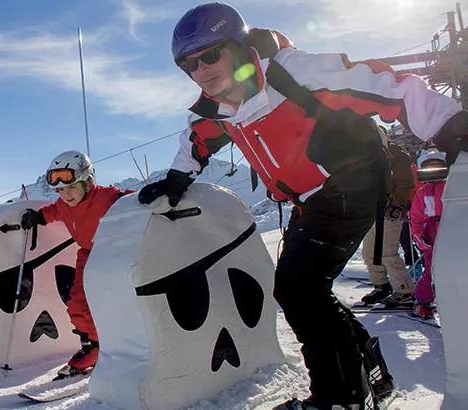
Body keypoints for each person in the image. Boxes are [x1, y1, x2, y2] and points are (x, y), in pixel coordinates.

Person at [138, 3, 468, 409]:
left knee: (298, 289)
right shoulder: (218, 109)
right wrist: (177, 177)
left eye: (211, 54)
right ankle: (367, 375)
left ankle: (339, 397)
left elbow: (384, 84)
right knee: (304, 291)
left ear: (239, 46)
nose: (202, 70)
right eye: (189, 64)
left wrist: (447, 123)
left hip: (351, 179)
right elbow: (196, 140)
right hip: (309, 200)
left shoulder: (292, 72)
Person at [20, 150, 133, 379]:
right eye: (60, 190)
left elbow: (131, 199)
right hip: (88, 254)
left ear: (88, 182)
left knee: (120, 299)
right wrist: (37, 218)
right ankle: (93, 347)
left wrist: (150, 199)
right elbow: (52, 211)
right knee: (77, 303)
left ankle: (127, 345)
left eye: (72, 187)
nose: (66, 194)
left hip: (114, 251)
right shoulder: (63, 205)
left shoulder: (106, 198)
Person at [359, 126, 416, 306]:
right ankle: (381, 285)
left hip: (390, 210)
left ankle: (405, 290)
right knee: (369, 252)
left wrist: (398, 204)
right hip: (371, 209)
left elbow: (405, 181)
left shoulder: (396, 155)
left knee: (386, 252)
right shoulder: (365, 156)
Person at [409, 150, 448, 319]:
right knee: (431, 267)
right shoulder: (423, 192)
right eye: (430, 167)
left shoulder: (451, 186)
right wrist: (418, 235)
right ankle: (422, 301)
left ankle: (454, 297)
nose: (434, 171)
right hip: (432, 231)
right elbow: (416, 217)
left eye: (437, 166)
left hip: (451, 227)